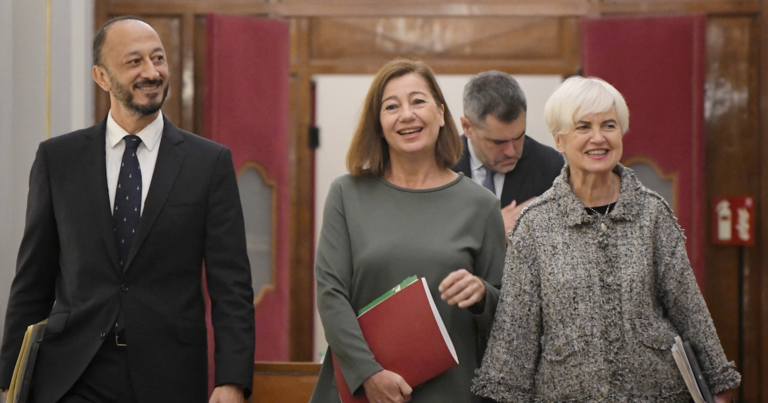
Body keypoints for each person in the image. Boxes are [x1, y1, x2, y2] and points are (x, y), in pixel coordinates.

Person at [0, 16, 255, 403]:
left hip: (169, 374)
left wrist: (232, 379)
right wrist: (8, 378)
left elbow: (231, 285)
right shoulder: (58, 159)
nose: (151, 72)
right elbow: (32, 279)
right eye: (134, 62)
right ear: (102, 77)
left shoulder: (209, 163)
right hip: (71, 374)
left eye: (158, 59)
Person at [472, 76, 740, 402]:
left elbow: (689, 308)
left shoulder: (652, 213)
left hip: (658, 393)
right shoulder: (535, 225)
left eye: (609, 125)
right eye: (583, 126)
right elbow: (516, 331)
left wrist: (719, 384)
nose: (598, 138)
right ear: (559, 139)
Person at [310, 59, 506, 403]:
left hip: (451, 392)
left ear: (442, 114)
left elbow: (507, 312)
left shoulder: (482, 204)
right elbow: (331, 296)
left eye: (418, 101)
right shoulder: (346, 194)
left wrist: (481, 293)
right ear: (379, 124)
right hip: (362, 390)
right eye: (391, 106)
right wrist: (369, 374)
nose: (407, 114)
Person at [453, 71, 563, 233]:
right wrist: (493, 230)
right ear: (467, 127)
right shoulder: (440, 164)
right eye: (499, 142)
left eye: (519, 137)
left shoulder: (550, 167)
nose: (512, 152)